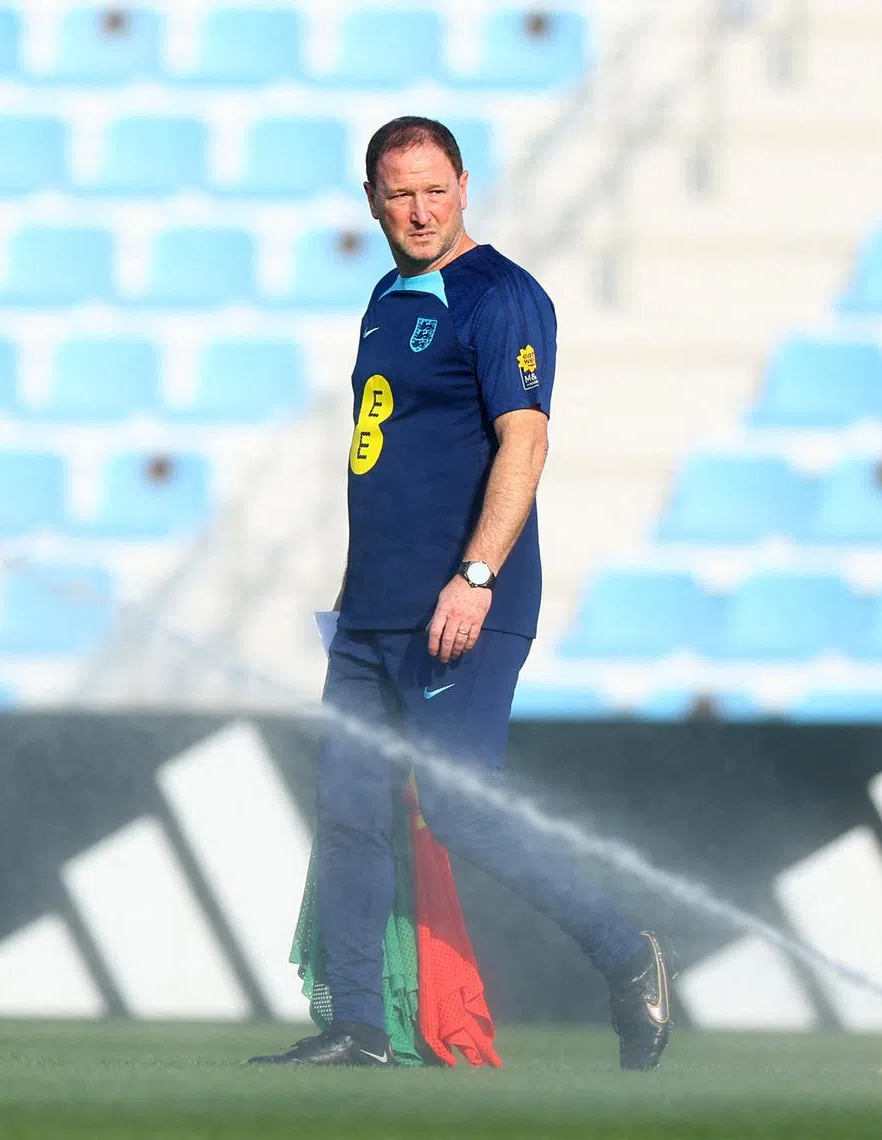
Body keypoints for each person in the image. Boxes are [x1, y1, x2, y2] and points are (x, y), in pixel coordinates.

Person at [250, 117, 673, 1071]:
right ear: (370, 200)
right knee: (348, 811)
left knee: (460, 809)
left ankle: (625, 954)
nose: (418, 209)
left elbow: (524, 441)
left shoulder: (502, 295)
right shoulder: (385, 296)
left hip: (462, 604)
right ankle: (360, 1027)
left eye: (434, 189)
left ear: (465, 187)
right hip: (372, 612)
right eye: (399, 192)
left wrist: (475, 575)